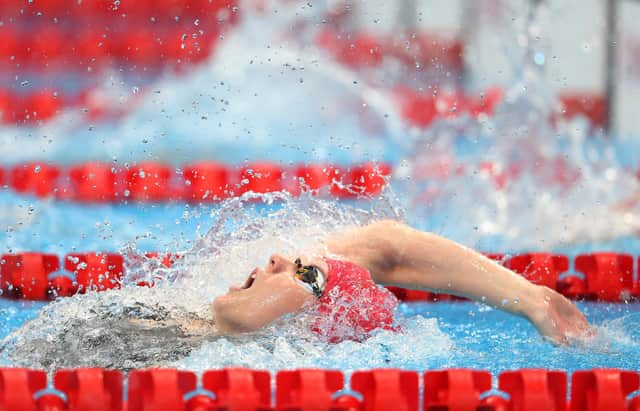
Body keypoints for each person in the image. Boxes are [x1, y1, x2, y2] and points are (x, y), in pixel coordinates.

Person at [213, 219, 591, 345]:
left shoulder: (248, 330)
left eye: (301, 272)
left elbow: (241, 319)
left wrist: (309, 277)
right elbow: (388, 246)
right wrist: (529, 298)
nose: (276, 259)